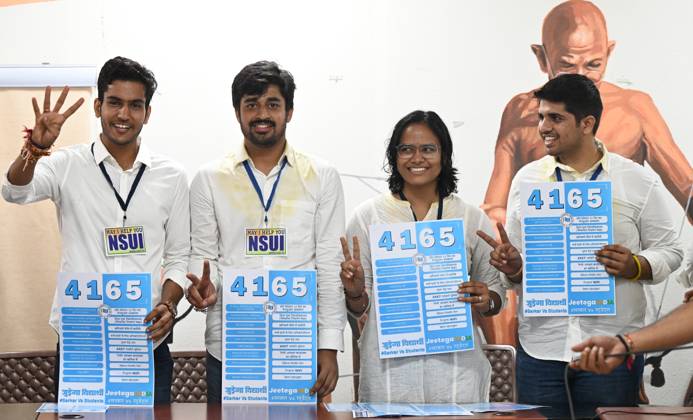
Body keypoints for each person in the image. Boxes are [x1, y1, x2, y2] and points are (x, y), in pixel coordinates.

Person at [481, 0, 693, 346]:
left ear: (609, 53)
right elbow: (495, 205)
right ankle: (506, 361)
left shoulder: (635, 108)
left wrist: (636, 264)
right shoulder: (520, 114)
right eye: (567, 66)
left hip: (613, 320)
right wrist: (506, 252)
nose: (581, 77)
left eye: (593, 64)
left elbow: (688, 192)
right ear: (541, 57)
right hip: (545, 326)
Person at [478, 74, 683, 410]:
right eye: (541, 117)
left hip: (611, 349)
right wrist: (515, 269)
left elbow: (672, 251)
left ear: (587, 123)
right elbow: (517, 273)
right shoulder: (526, 179)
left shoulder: (636, 179)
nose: (543, 126)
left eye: (555, 118)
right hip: (540, 350)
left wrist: (637, 265)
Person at [1, 57, 190, 403]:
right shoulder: (66, 165)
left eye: (135, 105)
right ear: (98, 106)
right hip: (81, 338)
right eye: (115, 103)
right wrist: (34, 149)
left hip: (147, 339)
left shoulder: (172, 176)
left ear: (147, 113)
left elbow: (179, 256)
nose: (123, 114)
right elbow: (14, 190)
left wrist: (169, 303)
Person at [185, 61, 346, 402]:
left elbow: (329, 265)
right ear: (237, 112)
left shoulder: (321, 175)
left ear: (289, 111)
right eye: (251, 104)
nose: (262, 114)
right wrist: (203, 285)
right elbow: (203, 255)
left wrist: (329, 344)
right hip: (229, 347)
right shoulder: (209, 178)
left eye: (273, 104)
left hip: (299, 346)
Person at [340, 110, 504, 403]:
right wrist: (354, 293)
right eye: (406, 149)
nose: (417, 158)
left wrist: (486, 298)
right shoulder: (368, 217)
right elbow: (358, 308)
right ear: (394, 156)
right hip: (388, 376)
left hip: (457, 376)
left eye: (428, 149)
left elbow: (495, 298)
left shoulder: (470, 217)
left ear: (444, 155)